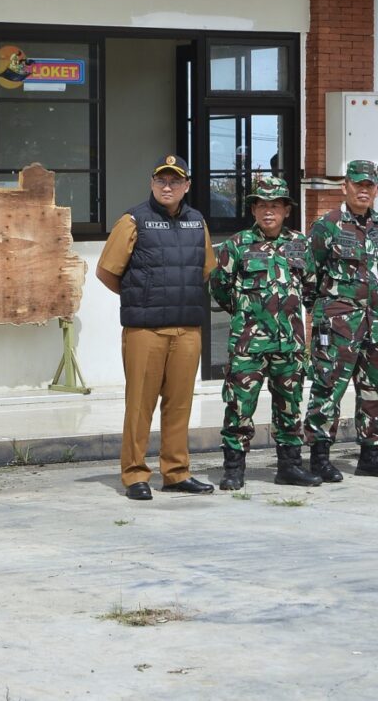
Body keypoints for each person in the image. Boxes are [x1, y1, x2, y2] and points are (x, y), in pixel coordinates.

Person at [97, 154, 217, 500]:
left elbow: (205, 269)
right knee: (140, 405)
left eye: (175, 181)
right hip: (145, 331)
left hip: (187, 330)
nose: (168, 187)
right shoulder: (133, 220)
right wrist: (143, 296)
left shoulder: (197, 222)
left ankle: (176, 472)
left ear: (186, 186)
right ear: (152, 183)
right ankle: (135, 474)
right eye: (161, 180)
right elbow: (106, 271)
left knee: (179, 405)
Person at [208, 176, 320, 490]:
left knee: (289, 406)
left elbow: (311, 287)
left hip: (289, 344)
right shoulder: (237, 245)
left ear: (286, 210)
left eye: (275, 205)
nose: (268, 211)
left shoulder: (300, 244)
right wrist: (246, 315)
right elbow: (219, 287)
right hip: (248, 345)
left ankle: (290, 467)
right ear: (253, 210)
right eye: (261, 205)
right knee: (239, 406)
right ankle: (234, 469)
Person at [302, 159, 378, 481]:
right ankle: (320, 456)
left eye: (369, 185)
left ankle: (371, 455)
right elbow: (309, 275)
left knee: (377, 388)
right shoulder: (327, 225)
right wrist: (325, 312)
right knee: (328, 387)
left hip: (375, 322)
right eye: (357, 184)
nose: (363, 190)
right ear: (344, 187)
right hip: (338, 324)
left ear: (376, 190)